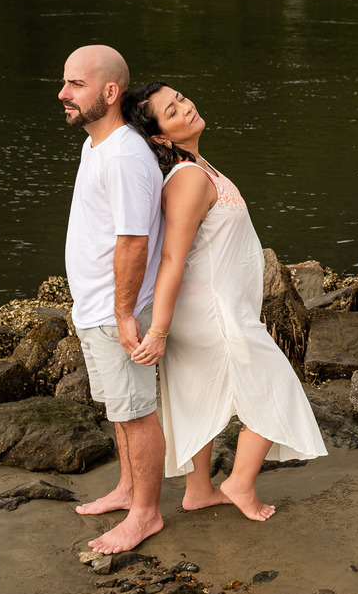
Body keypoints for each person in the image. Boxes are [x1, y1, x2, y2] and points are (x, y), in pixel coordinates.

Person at [123, 82, 326, 521]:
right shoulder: (188, 179)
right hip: (213, 312)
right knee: (276, 389)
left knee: (200, 394)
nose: (185, 106)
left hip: (217, 307)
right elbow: (172, 257)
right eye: (171, 110)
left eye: (181, 97)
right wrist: (158, 329)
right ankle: (239, 483)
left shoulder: (199, 166)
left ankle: (198, 490)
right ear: (160, 137)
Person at [59, 46, 166, 554]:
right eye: (65, 83)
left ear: (109, 92)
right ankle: (127, 489)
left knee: (138, 411)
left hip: (115, 310)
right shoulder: (97, 145)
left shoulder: (124, 155)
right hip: (97, 307)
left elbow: (133, 241)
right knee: (120, 410)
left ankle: (145, 514)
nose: (63, 94)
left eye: (75, 85)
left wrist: (125, 313)